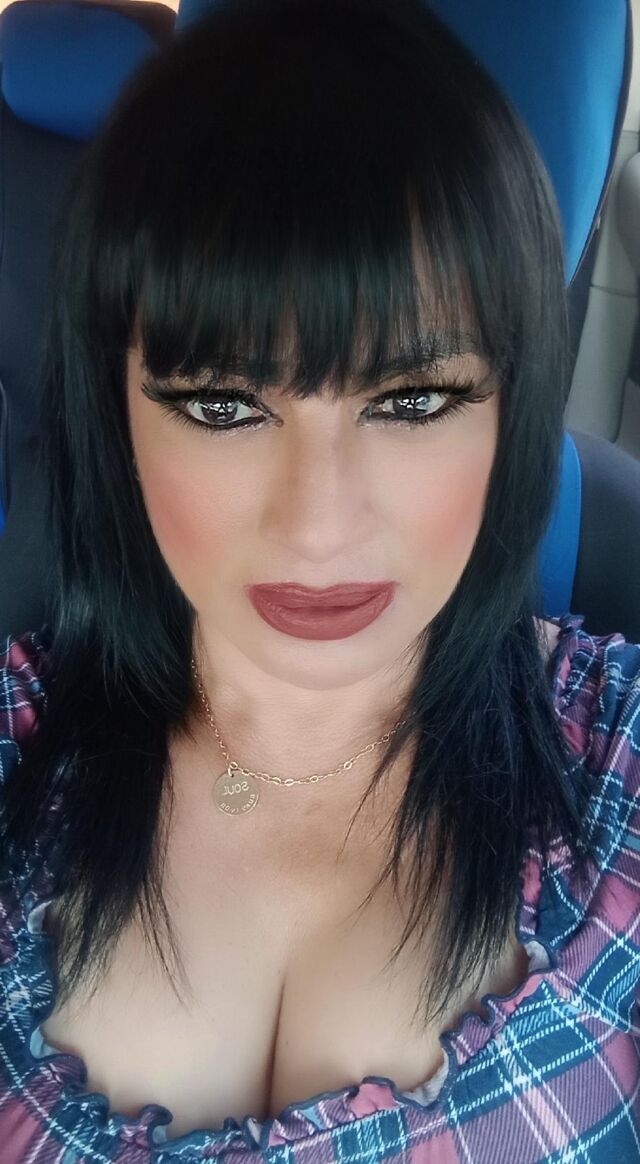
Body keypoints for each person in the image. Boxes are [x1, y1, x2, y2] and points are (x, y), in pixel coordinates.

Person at [0, 0, 638, 1159]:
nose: (316, 526)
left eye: (412, 400)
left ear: (511, 411)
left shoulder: (619, 771)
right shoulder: (14, 741)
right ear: (116, 412)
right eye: (222, 406)